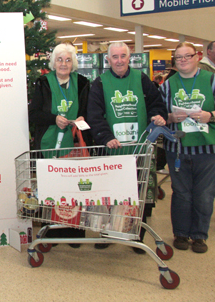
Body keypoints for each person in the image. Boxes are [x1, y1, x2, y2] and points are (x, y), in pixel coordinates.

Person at [87, 42, 167, 252]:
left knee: (138, 194)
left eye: (123, 56)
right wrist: (105, 137)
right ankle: (108, 234)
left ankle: (136, 236)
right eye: (115, 57)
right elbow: (94, 115)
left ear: (129, 58)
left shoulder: (141, 80)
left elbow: (156, 104)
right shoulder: (99, 83)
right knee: (110, 195)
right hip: (111, 149)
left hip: (139, 148)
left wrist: (158, 115)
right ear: (108, 60)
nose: (120, 60)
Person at [162, 42, 215, 253]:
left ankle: (199, 235)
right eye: (179, 57)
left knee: (204, 194)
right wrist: (169, 117)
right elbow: (158, 114)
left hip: (209, 149)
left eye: (187, 56)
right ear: (175, 62)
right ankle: (181, 234)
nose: (183, 60)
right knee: (181, 193)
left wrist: (210, 116)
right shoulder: (168, 85)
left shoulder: (214, 81)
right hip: (178, 148)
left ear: (197, 57)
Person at [28, 43, 91, 248]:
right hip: (48, 143)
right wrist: (54, 118)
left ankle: (74, 231)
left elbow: (92, 111)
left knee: (74, 188)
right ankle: (51, 233)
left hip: (73, 145)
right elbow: (33, 114)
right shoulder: (43, 83)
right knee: (51, 189)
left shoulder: (82, 83)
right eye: (59, 59)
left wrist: (83, 117)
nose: (63, 63)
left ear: (73, 63)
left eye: (68, 59)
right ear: (53, 62)